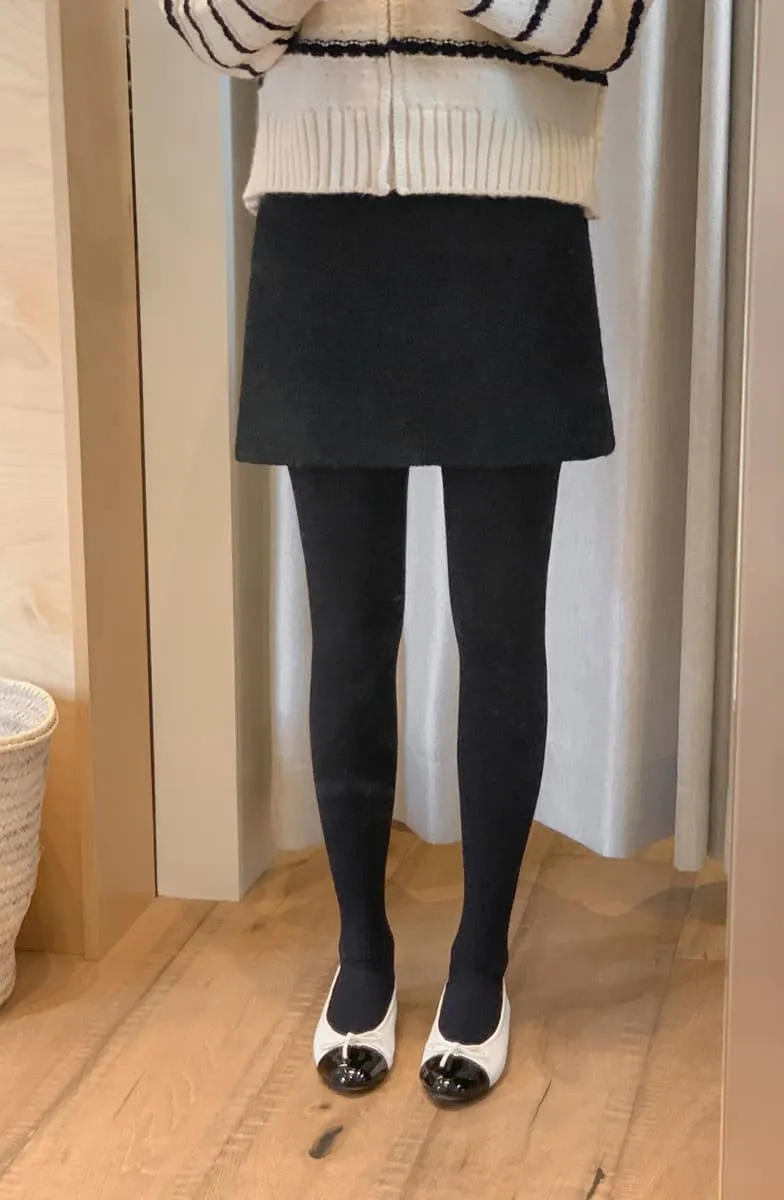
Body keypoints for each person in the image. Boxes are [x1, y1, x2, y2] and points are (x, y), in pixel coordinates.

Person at [162, 0, 654, 1106]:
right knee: (346, 628)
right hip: (321, 222)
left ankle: (480, 964)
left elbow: (607, 27)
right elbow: (210, 31)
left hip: (510, 217)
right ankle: (362, 951)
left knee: (499, 626)